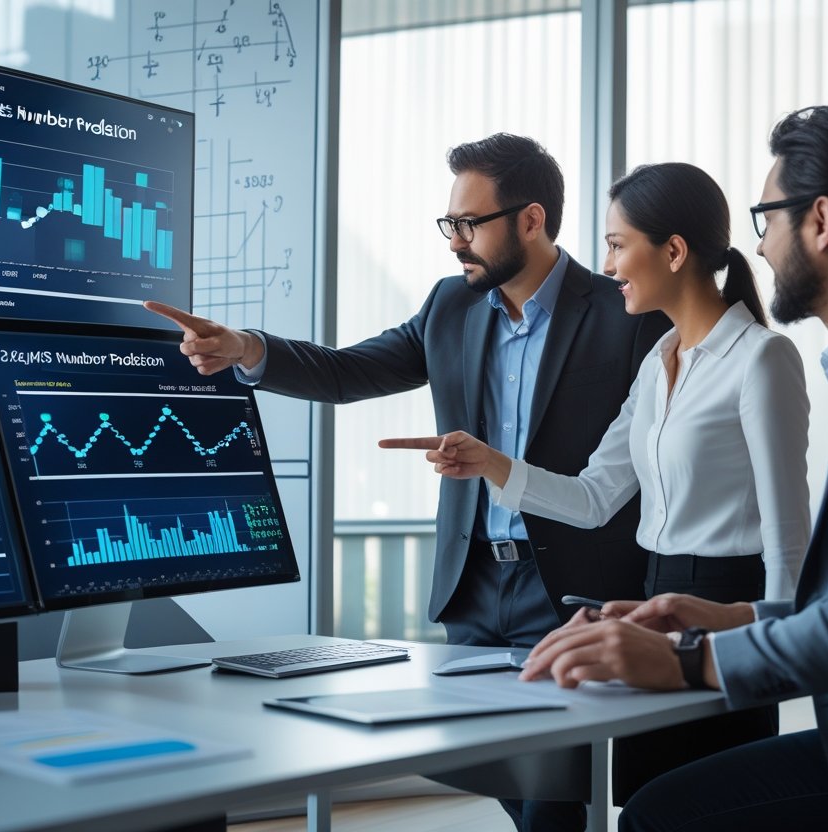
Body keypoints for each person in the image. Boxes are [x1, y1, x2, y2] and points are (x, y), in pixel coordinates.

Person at [147, 133, 668, 832]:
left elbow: (652, 461)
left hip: (574, 586)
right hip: (476, 586)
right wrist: (248, 349)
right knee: (502, 771)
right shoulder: (449, 307)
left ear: (532, 219)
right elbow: (348, 369)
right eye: (448, 224)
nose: (455, 242)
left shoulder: (622, 311)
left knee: (556, 788)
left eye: (468, 224)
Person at [514, 97, 828, 832]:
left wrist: (692, 657)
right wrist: (725, 619)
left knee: (659, 812)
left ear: (820, 221)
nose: (760, 245)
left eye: (768, 218)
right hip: (730, 621)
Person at [380, 161, 811, 803]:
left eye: (616, 245)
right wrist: (488, 462)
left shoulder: (761, 359)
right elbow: (592, 499)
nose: (607, 267)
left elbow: (787, 543)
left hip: (728, 612)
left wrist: (770, 655)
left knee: (711, 807)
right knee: (642, 803)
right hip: (654, 601)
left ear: (672, 251)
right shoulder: (657, 363)